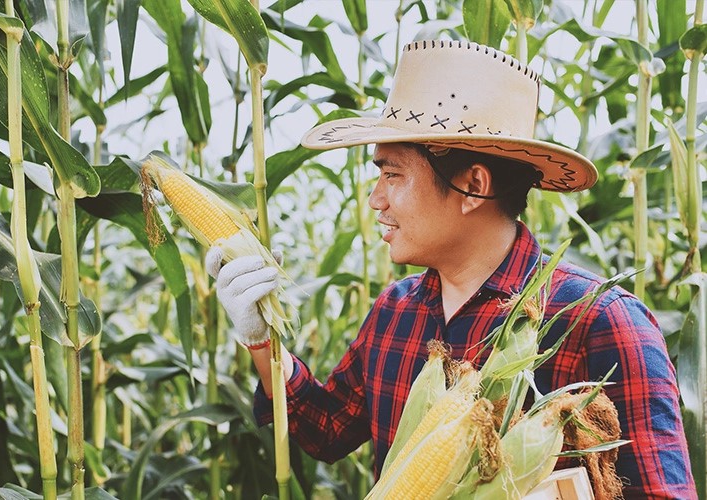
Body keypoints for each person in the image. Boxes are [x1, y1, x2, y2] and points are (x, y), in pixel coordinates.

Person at [205, 39, 696, 498]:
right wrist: (261, 336)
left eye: (393, 175)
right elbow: (328, 429)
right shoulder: (394, 311)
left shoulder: (599, 322)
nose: (376, 199)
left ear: (474, 186)